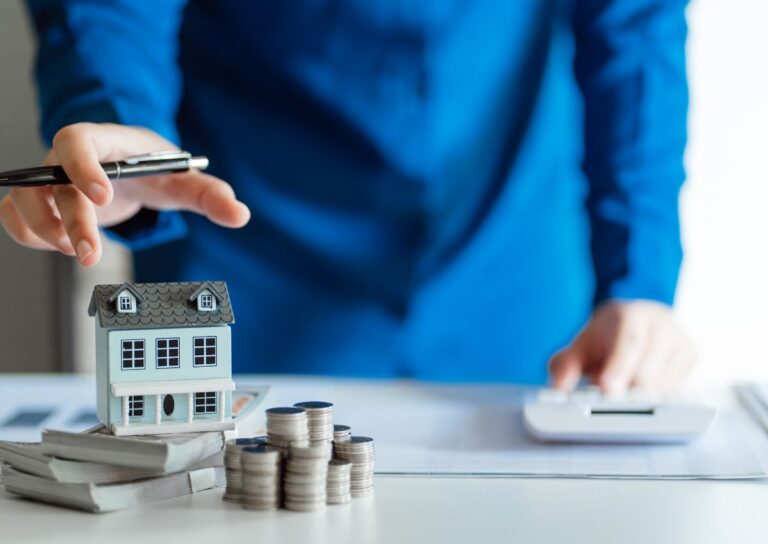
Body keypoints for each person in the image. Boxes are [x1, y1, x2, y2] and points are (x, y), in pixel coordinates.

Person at [0, 0, 695, 392]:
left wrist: (638, 274)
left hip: (508, 250)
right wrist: (119, 118)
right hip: (246, 239)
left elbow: (635, 28)